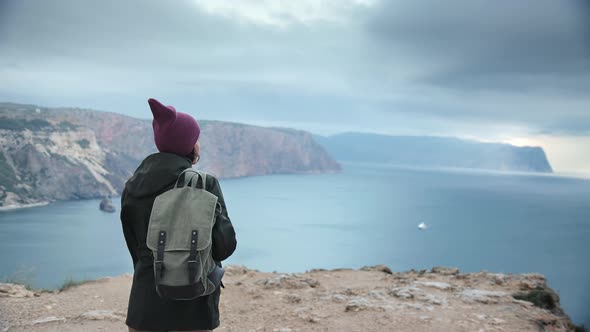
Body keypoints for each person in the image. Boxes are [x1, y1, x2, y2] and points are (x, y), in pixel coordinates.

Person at [120, 98, 237, 332]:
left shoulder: (133, 184)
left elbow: (133, 244)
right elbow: (224, 246)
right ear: (188, 144)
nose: (199, 144)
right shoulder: (203, 183)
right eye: (196, 139)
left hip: (145, 304)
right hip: (193, 303)